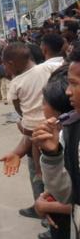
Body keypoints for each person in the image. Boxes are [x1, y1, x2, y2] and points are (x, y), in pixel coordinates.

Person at [0, 43, 55, 220]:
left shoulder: (16, 84)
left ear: (11, 63)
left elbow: (19, 111)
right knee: (52, 175)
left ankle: (46, 213)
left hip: (33, 133)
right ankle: (45, 210)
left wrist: (25, 124)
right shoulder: (48, 67)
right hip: (52, 127)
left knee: (40, 172)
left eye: (5, 65)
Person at [33, 50, 80, 239]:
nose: (68, 91)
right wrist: (52, 156)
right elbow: (69, 195)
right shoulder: (71, 133)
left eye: (75, 83)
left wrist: (49, 205)